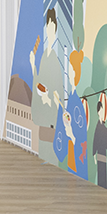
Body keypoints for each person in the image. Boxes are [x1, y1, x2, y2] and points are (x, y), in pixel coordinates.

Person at [30, 9, 64, 166]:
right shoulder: (44, 56)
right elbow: (39, 82)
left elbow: (57, 91)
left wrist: (49, 99)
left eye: (52, 28)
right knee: (43, 143)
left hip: (51, 116)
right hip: (43, 113)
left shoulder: (54, 60)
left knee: (51, 147)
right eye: (48, 27)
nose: (50, 32)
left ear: (55, 31)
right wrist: (33, 65)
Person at [92, 99, 107, 189]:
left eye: (102, 110)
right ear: (98, 112)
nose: (102, 112)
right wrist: (94, 155)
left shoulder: (102, 125)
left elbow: (105, 134)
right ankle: (101, 187)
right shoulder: (98, 126)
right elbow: (95, 140)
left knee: (103, 171)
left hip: (103, 153)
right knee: (101, 171)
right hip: (100, 153)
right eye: (101, 111)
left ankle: (103, 187)